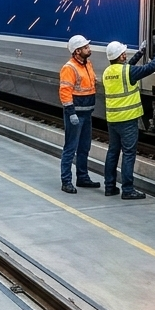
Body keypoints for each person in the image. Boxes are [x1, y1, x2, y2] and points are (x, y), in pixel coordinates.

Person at [101, 40, 155, 199]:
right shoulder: (127, 72)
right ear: (120, 56)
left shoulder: (107, 72)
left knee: (113, 152)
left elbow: (127, 68)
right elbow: (150, 68)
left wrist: (140, 53)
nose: (125, 55)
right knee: (128, 154)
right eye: (123, 53)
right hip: (127, 120)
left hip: (113, 119)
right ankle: (128, 190)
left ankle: (109, 187)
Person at [59, 34, 98, 194]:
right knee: (70, 147)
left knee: (84, 147)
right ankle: (66, 181)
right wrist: (71, 113)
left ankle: (82, 177)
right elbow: (65, 92)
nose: (89, 49)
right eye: (85, 47)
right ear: (77, 51)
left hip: (87, 113)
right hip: (75, 115)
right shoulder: (69, 68)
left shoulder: (87, 64)